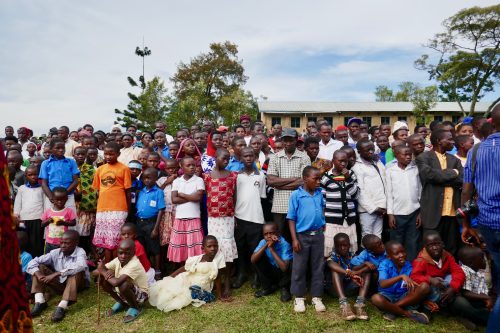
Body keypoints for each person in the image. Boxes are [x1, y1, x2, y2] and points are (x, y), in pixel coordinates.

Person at [461, 105, 500, 333]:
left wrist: (465, 224)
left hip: (486, 224)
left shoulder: (476, 151)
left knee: (495, 274)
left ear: (491, 123)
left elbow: (467, 192)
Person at [150, 235, 229, 313]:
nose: (213, 249)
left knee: (186, 294)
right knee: (171, 288)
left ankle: (194, 293)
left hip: (200, 286)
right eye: (209, 246)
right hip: (187, 279)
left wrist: (220, 295)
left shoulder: (219, 258)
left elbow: (217, 277)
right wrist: (170, 277)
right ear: (203, 248)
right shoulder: (197, 259)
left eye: (215, 246)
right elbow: (183, 268)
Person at [416, 129, 463, 256]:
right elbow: (429, 176)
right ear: (438, 141)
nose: (453, 141)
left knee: (451, 248)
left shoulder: (455, 160)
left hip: (452, 213)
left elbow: (462, 180)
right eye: (449, 139)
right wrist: (453, 173)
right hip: (433, 212)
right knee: (431, 249)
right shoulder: (423, 158)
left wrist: (440, 178)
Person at [287, 166, 326, 313]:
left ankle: (317, 296)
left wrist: (322, 224)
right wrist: (294, 239)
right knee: (299, 267)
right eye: (315, 179)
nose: (318, 181)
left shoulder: (319, 194)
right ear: (305, 179)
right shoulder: (296, 195)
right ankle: (299, 297)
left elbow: (322, 209)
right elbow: (291, 218)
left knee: (318, 266)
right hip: (302, 237)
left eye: (319, 179)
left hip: (318, 235)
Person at [27, 230, 88, 322]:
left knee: (75, 272)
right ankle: (40, 301)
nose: (63, 245)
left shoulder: (80, 252)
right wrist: (39, 274)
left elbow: (81, 265)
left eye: (67, 243)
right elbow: (33, 262)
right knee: (39, 267)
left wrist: (56, 273)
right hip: (61, 285)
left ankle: (62, 306)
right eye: (61, 242)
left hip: (77, 285)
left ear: (76, 243)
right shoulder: (55, 252)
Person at [202, 148, 237, 297]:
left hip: (228, 218)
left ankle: (227, 282)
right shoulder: (207, 177)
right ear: (215, 157)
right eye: (223, 158)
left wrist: (234, 215)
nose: (226, 161)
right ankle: (216, 280)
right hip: (213, 218)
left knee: (227, 248)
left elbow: (234, 197)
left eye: (228, 158)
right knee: (214, 248)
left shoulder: (233, 176)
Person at [371, 241, 430, 324]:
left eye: (403, 252)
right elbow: (382, 284)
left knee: (425, 287)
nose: (401, 255)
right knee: (376, 298)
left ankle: (393, 310)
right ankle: (407, 314)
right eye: (397, 253)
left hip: (404, 297)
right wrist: (400, 276)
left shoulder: (409, 265)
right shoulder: (384, 264)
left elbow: (416, 282)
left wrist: (416, 285)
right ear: (389, 256)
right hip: (387, 295)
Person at [267, 128, 310, 242]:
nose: (288, 143)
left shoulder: (304, 157)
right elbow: (270, 181)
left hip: (298, 204)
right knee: (279, 237)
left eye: (290, 140)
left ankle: (296, 260)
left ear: (296, 140)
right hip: (279, 205)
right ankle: (282, 260)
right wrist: (294, 179)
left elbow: (304, 181)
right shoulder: (275, 157)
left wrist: (280, 185)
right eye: (285, 140)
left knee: (297, 237)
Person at [232, 147, 266, 289]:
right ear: (241, 158)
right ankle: (242, 273)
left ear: (255, 157)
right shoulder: (236, 176)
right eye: (245, 156)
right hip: (240, 217)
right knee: (240, 247)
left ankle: (257, 274)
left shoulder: (261, 175)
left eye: (251, 156)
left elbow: (262, 197)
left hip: (256, 218)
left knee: (255, 248)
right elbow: (233, 197)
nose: (248, 158)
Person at [410, 232, 465, 319]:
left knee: (451, 277)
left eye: (437, 244)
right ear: (425, 247)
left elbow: (458, 272)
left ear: (442, 244)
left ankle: (445, 303)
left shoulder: (447, 256)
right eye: (430, 245)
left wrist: (453, 288)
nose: (435, 247)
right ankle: (427, 308)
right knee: (429, 286)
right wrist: (430, 279)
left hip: (443, 284)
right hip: (430, 288)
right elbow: (414, 277)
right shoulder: (420, 260)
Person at [92, 142, 132, 263]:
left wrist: (128, 210)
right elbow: (98, 191)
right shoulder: (100, 170)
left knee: (115, 240)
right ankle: (107, 266)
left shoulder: (124, 169)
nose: (108, 157)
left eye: (111, 154)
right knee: (106, 241)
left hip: (119, 209)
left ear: (118, 154)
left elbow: (128, 192)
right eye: (106, 154)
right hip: (102, 209)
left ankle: (116, 266)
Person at [94, 239, 148, 323]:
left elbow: (116, 283)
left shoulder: (134, 263)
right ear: (117, 251)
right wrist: (103, 270)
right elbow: (95, 272)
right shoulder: (117, 260)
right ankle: (121, 302)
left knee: (124, 284)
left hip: (141, 295)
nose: (123, 256)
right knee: (102, 279)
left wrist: (103, 271)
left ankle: (135, 307)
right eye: (120, 253)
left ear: (133, 252)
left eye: (127, 253)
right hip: (124, 292)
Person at [386, 145, 422, 261]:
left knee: (413, 241)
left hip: (414, 212)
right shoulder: (390, 171)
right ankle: (397, 267)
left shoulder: (415, 169)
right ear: (396, 156)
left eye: (409, 154)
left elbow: (420, 191)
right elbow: (389, 193)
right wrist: (390, 214)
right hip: (397, 213)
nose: (408, 157)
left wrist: (421, 212)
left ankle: (411, 267)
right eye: (405, 154)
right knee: (397, 241)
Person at [321, 150, 359, 255]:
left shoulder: (351, 174)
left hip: (349, 220)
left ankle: (347, 269)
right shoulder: (325, 177)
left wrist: (348, 179)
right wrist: (322, 219)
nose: (343, 164)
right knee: (330, 248)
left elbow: (355, 195)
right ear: (333, 161)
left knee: (348, 248)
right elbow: (322, 201)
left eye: (346, 161)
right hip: (332, 220)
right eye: (340, 161)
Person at [168, 157, 205, 263]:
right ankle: (183, 269)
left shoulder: (199, 180)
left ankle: (195, 267)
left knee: (194, 244)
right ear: (181, 166)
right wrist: (191, 197)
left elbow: (198, 198)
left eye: (193, 165)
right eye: (188, 165)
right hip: (180, 218)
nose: (192, 167)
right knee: (182, 245)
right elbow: (174, 199)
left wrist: (183, 195)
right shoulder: (177, 181)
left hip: (194, 217)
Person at [327, 233, 370, 321]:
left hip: (350, 288)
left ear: (349, 245)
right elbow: (330, 263)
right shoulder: (333, 255)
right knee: (336, 271)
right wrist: (348, 273)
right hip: (335, 290)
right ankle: (344, 305)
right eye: (339, 246)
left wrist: (364, 265)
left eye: (345, 245)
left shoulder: (353, 256)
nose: (342, 248)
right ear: (335, 246)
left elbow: (360, 267)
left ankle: (360, 304)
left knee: (367, 271)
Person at [447, 247, 492, 330]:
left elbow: (481, 290)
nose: (484, 260)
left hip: (476, 300)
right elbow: (466, 293)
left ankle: (470, 319)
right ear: (471, 263)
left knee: (487, 309)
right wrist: (487, 297)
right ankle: (464, 318)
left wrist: (487, 299)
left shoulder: (479, 271)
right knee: (464, 306)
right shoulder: (464, 272)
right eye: (481, 258)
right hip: (464, 300)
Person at [352, 139, 387, 239]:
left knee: (378, 236)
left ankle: (377, 255)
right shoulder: (357, 167)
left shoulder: (377, 162)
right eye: (367, 150)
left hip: (381, 207)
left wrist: (383, 206)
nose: (371, 152)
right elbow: (360, 192)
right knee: (367, 237)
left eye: (372, 149)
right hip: (367, 210)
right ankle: (366, 255)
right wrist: (373, 208)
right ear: (359, 152)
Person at [135, 167, 165, 278]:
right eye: (144, 178)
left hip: (151, 223)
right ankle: (147, 268)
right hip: (140, 222)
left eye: (149, 178)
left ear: (155, 179)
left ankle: (157, 270)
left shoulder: (158, 192)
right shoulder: (141, 191)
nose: (146, 180)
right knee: (143, 246)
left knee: (155, 247)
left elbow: (161, 210)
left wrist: (155, 228)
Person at [251, 222, 292, 302]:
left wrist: (272, 249)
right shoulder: (263, 242)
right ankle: (267, 288)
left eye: (271, 233)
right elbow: (253, 260)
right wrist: (266, 244)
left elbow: (284, 268)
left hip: (283, 272)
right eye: (266, 234)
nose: (269, 236)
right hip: (272, 270)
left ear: (278, 233)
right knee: (257, 258)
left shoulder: (284, 244)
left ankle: (285, 288)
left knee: (291, 264)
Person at [39, 137, 79, 213]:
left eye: (63, 148)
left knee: (69, 219)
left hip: (68, 196)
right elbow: (44, 183)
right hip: (52, 196)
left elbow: (75, 181)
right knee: (52, 219)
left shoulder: (71, 162)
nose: (61, 150)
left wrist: (64, 194)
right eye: (57, 148)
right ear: (51, 149)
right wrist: (51, 197)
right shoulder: (45, 163)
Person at [14, 165, 45, 257]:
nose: (33, 177)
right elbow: (18, 203)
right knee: (25, 239)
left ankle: (37, 259)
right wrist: (16, 215)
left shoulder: (42, 188)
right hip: (24, 219)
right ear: (25, 176)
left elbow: (45, 204)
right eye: (30, 175)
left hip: (38, 218)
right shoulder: (22, 188)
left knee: (37, 240)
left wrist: (45, 217)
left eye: (35, 174)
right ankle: (27, 259)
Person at [73, 146, 97, 254]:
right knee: (73, 230)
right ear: (74, 155)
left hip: (87, 205)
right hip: (72, 204)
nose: (80, 156)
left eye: (83, 154)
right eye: (78, 154)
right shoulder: (70, 168)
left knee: (84, 231)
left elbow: (95, 187)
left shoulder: (91, 169)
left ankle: (85, 256)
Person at [156, 158, 178, 270]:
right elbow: (157, 192)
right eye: (169, 168)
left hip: (177, 214)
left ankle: (174, 263)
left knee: (175, 239)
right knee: (163, 239)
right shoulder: (161, 180)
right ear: (165, 169)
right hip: (164, 214)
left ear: (178, 168)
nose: (171, 170)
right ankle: (162, 264)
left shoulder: (181, 179)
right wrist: (167, 182)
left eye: (174, 168)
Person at [41, 187, 77, 253]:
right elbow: (42, 224)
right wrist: (48, 221)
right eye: (57, 199)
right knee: (49, 260)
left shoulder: (68, 211)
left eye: (62, 200)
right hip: (49, 242)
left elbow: (74, 222)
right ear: (52, 199)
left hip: (63, 243)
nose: (59, 202)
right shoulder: (48, 211)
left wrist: (64, 223)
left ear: (66, 199)